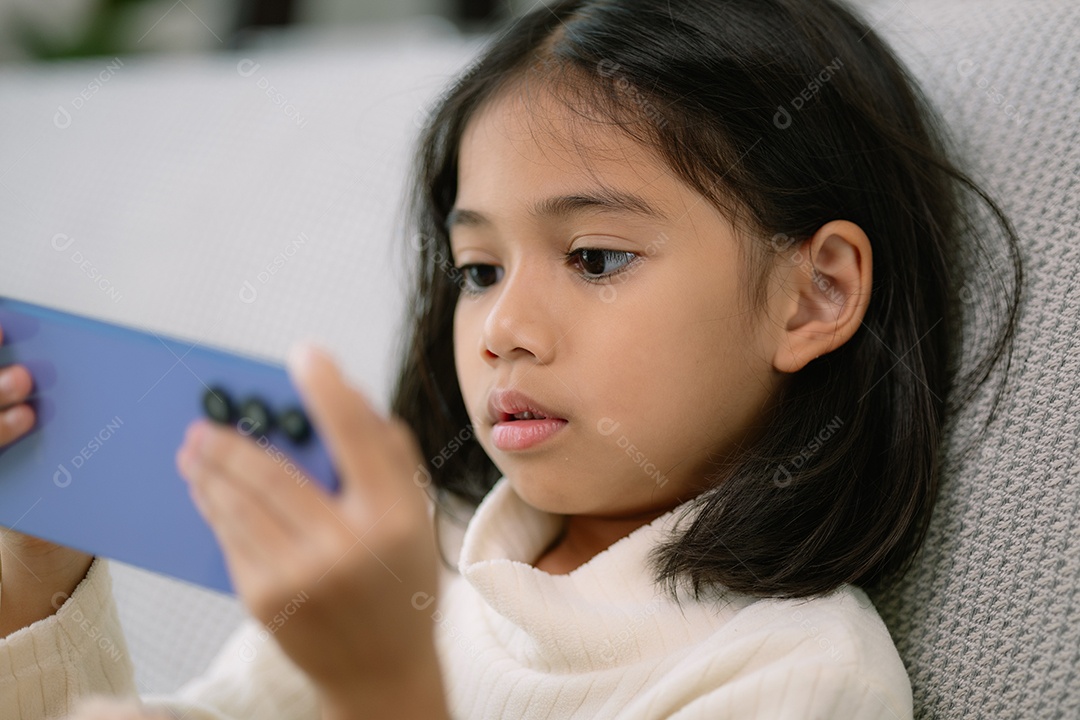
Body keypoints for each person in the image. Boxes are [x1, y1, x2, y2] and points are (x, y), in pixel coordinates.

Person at [0, 0, 1024, 717]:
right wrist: (31, 585)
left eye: (593, 257)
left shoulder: (796, 676)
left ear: (816, 293)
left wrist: (384, 689)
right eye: (479, 269)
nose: (501, 328)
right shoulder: (422, 549)